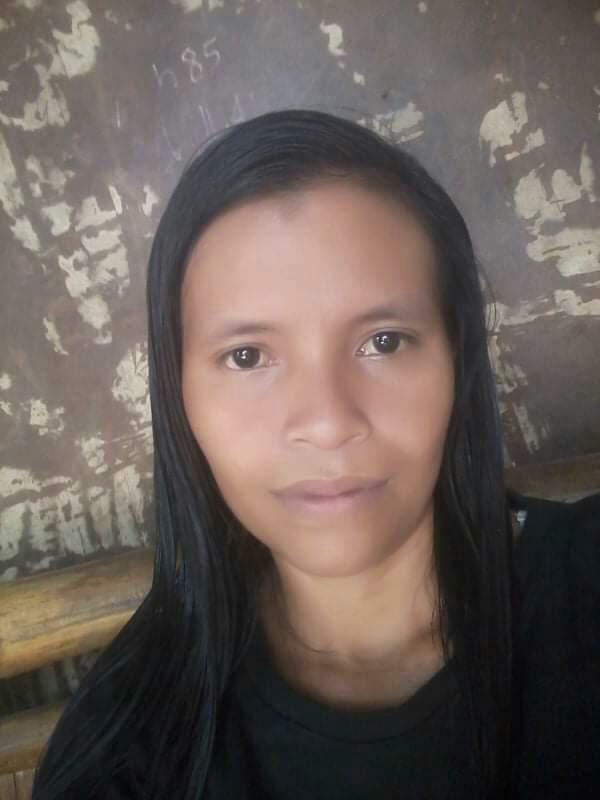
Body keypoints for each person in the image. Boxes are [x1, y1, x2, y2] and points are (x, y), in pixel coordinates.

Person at [30, 108, 600, 800]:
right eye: (247, 356)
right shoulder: (126, 756)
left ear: (458, 357)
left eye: (383, 342)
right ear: (179, 396)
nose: (328, 424)